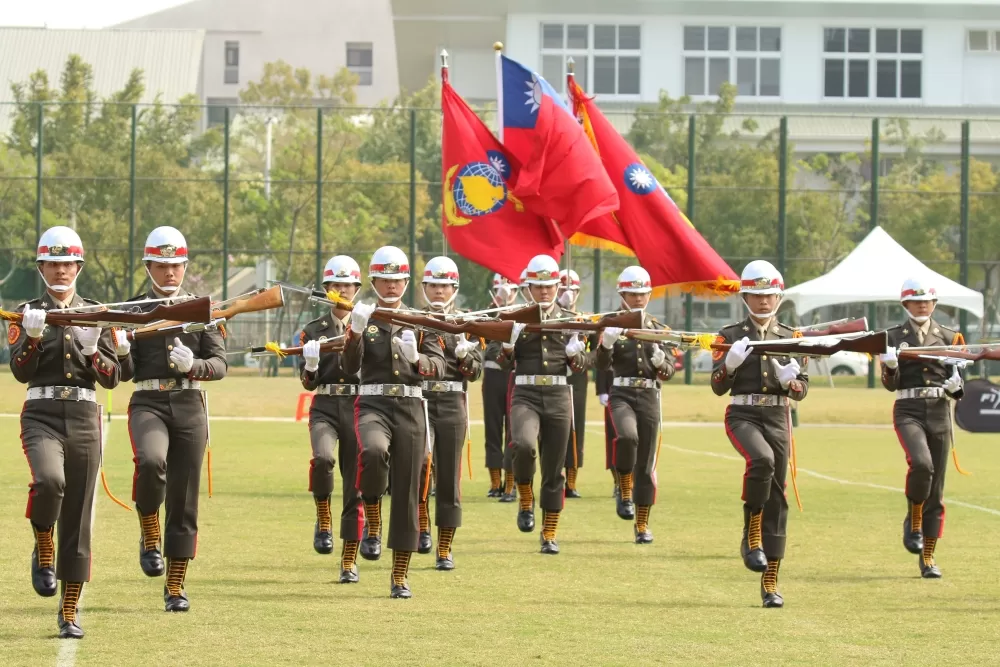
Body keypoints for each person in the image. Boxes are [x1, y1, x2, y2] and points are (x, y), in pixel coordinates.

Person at [11, 226, 122, 639]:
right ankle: (43, 544)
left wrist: (95, 352)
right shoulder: (25, 312)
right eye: (52, 263)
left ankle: (70, 608)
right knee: (48, 481)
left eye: (67, 262)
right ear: (41, 267)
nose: (60, 270)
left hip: (83, 414)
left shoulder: (97, 311)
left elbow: (112, 379)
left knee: (78, 513)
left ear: (79, 266)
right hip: (40, 411)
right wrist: (33, 338)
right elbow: (20, 370)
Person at [120, 226, 228, 612]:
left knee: (184, 497)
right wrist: (120, 350)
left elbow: (219, 364)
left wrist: (194, 365)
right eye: (162, 266)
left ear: (185, 266)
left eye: (176, 265)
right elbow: (126, 372)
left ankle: (176, 585)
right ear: (148, 265)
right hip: (148, 400)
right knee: (151, 461)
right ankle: (150, 532)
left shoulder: (202, 308)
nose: (170, 273)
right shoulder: (133, 310)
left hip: (189, 403)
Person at [340, 246, 446, 598]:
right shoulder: (364, 317)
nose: (390, 286)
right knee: (372, 451)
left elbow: (439, 364)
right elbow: (348, 367)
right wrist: (354, 332)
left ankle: (399, 576)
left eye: (397, 279)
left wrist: (419, 361)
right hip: (373, 402)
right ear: (373, 281)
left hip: (412, 407)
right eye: (383, 279)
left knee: (408, 492)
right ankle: (372, 515)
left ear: (405, 281)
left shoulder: (422, 319)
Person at [710, 260, 809, 608]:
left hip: (778, 416)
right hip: (743, 413)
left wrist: (792, 382)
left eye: (769, 295)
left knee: (778, 496)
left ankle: (771, 583)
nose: (763, 301)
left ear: (778, 296)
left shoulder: (791, 337)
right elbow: (717, 386)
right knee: (761, 460)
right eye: (756, 295)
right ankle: (751, 533)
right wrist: (729, 365)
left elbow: (802, 389)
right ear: (745, 297)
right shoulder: (729, 335)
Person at [497, 254, 588, 554]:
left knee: (554, 468)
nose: (545, 291)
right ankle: (525, 495)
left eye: (549, 285)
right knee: (523, 445)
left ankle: (549, 532)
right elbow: (502, 360)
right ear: (528, 288)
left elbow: (583, 364)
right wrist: (508, 345)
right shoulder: (516, 317)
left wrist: (576, 353)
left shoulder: (570, 319)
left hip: (559, 395)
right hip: (525, 393)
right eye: (538, 286)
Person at [878, 277, 965, 579]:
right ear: (905, 304)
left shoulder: (951, 336)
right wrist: (890, 367)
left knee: (937, 488)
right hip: (909, 409)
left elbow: (958, 384)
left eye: (928, 300)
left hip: (940, 411)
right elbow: (890, 385)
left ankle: (928, 557)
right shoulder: (892, 336)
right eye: (916, 301)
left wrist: (956, 387)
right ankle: (913, 522)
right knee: (922, 463)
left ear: (935, 303)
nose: (923, 305)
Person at [415, 257, 483, 570]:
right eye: (433, 285)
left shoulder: (467, 323)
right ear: (424, 287)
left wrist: (465, 356)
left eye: (445, 285)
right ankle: (422, 524)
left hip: (453, 403)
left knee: (448, 478)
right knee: (420, 466)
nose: (439, 291)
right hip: (419, 400)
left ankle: (445, 548)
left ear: (454, 288)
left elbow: (475, 372)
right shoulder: (411, 321)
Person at [598, 266, 675, 543]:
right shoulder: (610, 323)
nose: (638, 299)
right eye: (632, 293)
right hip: (622, 393)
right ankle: (624, 488)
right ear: (622, 294)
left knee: (646, 464)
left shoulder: (658, 328)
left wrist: (660, 363)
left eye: (642, 293)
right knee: (627, 436)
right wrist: (606, 344)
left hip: (650, 396)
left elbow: (669, 370)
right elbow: (601, 365)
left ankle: (642, 525)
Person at [299, 255, 364, 583]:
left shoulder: (369, 325)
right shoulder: (313, 330)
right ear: (326, 290)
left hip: (358, 404)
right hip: (325, 404)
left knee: (357, 484)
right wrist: (310, 366)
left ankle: (349, 560)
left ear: (356, 289)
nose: (341, 290)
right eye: (335, 285)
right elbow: (306, 382)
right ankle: (323, 518)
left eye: (347, 285)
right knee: (323, 458)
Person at [557, 268, 596, 499]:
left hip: (577, 379)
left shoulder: (584, 320)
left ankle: (571, 481)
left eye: (572, 290)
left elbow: (595, 355)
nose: (568, 294)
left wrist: (580, 357)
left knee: (576, 429)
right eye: (563, 289)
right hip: (554, 377)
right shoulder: (550, 318)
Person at [483, 273, 517, 498]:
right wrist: (497, 303)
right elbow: (483, 326)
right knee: (493, 429)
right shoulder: (488, 310)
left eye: (512, 290)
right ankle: (495, 482)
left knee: (513, 431)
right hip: (493, 376)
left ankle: (511, 483)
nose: (508, 294)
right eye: (503, 290)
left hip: (513, 375)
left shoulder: (522, 312)